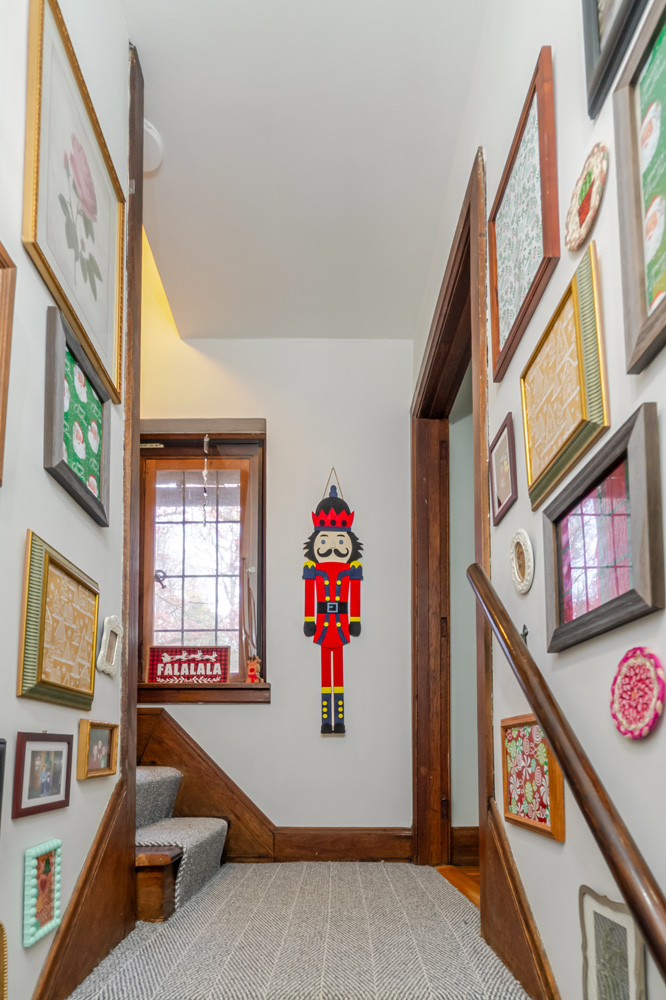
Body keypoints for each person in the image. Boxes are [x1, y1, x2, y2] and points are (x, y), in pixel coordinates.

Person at [303, 486, 363, 735]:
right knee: (324, 677)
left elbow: (354, 595)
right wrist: (309, 619)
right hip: (323, 624)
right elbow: (309, 594)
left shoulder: (351, 570)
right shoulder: (313, 569)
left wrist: (355, 620)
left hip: (339, 624)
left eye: (340, 541)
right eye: (325, 540)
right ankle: (325, 720)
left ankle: (339, 720)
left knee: (338, 675)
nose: (332, 548)